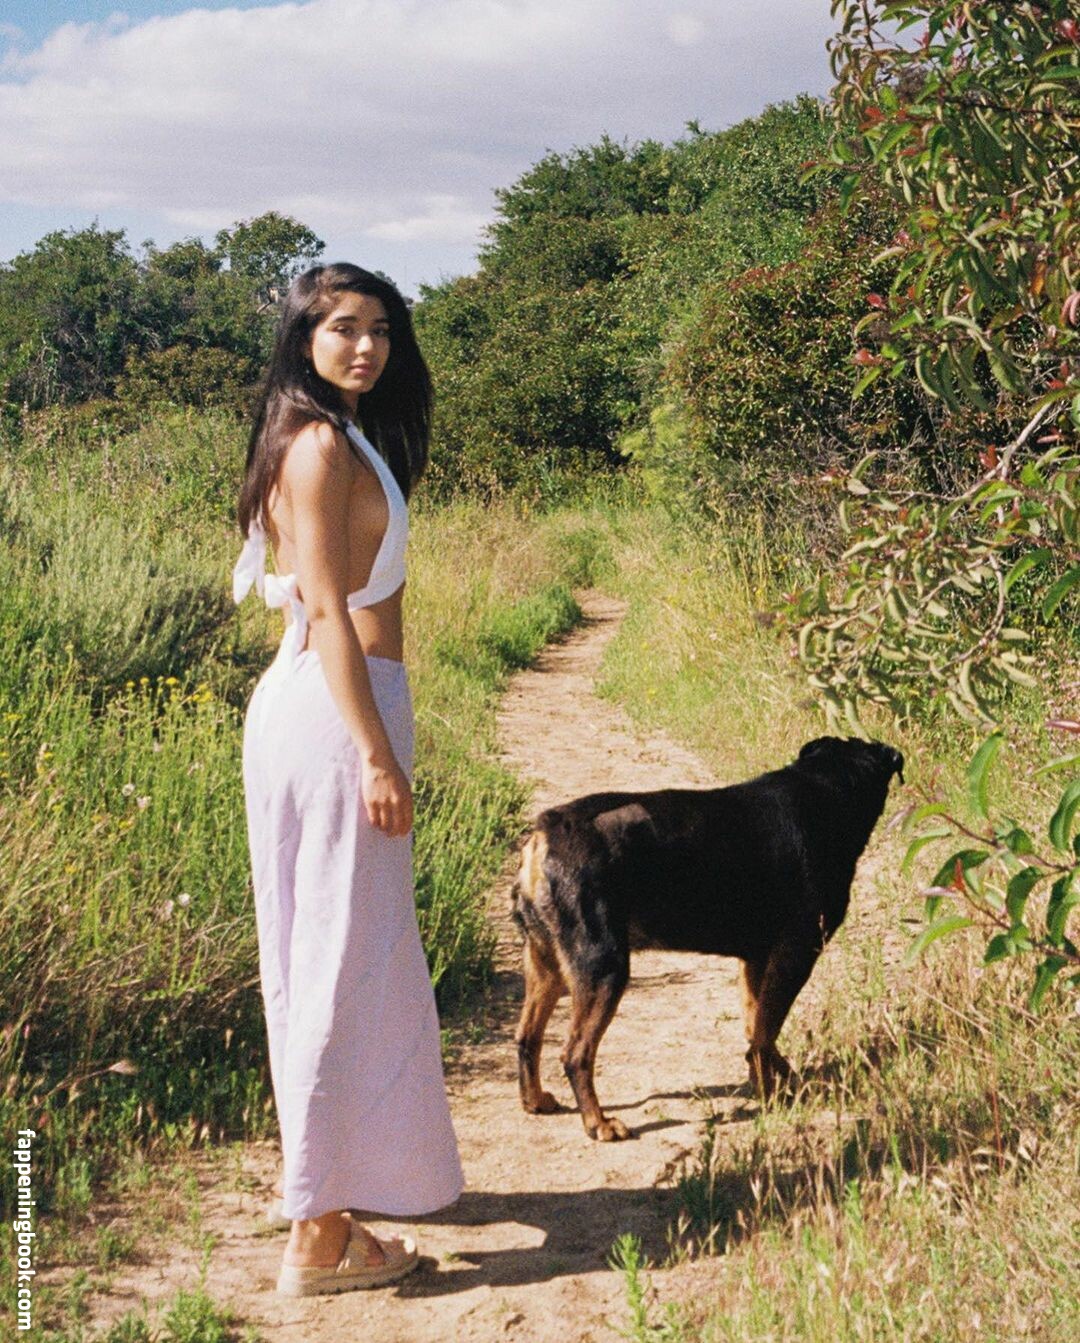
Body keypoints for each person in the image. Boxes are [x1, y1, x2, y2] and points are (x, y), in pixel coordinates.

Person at [233, 263, 463, 1297]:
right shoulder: (317, 444)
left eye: (381, 329)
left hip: (339, 703)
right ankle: (319, 1233)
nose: (366, 346)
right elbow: (326, 608)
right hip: (336, 714)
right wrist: (373, 750)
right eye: (342, 327)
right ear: (303, 337)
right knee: (334, 959)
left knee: (340, 952)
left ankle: (324, 1192)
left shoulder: (337, 431)